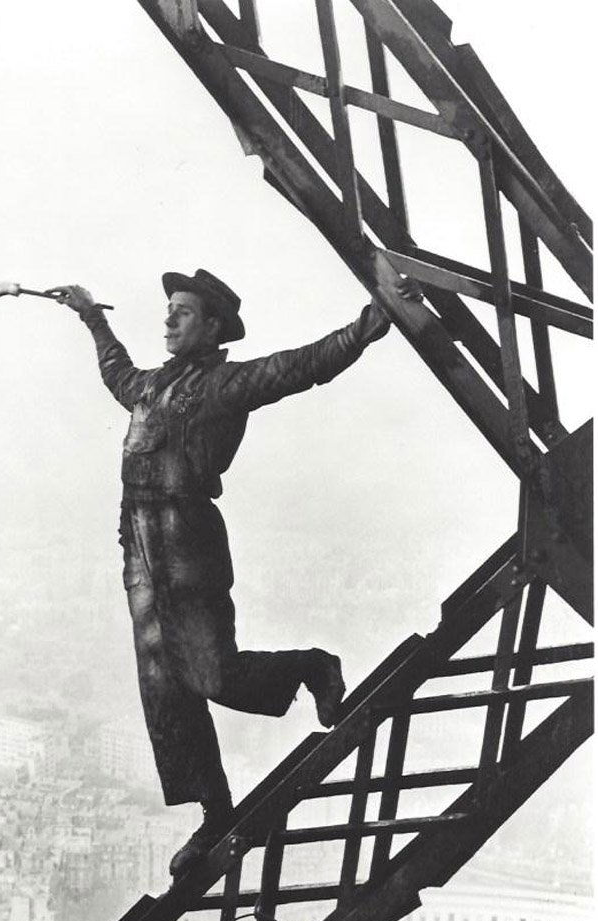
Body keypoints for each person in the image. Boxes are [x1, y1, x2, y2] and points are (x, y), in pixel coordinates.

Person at [53, 269, 419, 877]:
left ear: (213, 326)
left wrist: (369, 325)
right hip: (141, 550)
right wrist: (90, 314)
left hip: (187, 545)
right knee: (164, 688)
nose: (169, 319)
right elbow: (115, 369)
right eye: (168, 309)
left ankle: (310, 666)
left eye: (184, 312)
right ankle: (214, 811)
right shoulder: (149, 387)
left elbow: (302, 366)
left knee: (212, 674)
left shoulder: (225, 385)